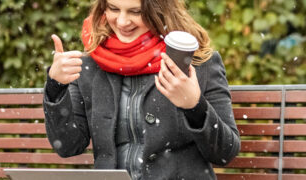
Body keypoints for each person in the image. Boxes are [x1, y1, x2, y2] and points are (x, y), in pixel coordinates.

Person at [43, 0, 240, 179]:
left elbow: (225, 153)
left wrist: (194, 106)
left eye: (135, 12)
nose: (121, 21)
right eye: (113, 8)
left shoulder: (197, 64)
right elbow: (68, 145)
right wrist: (56, 86)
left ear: (160, 11)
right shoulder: (90, 65)